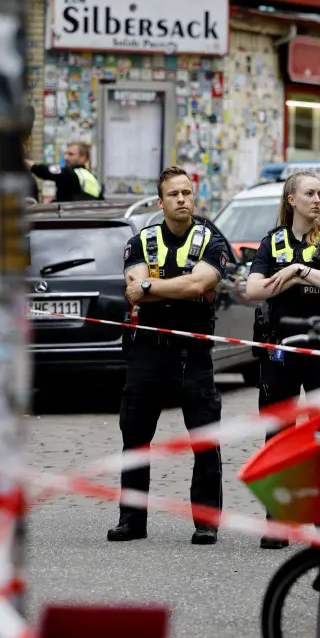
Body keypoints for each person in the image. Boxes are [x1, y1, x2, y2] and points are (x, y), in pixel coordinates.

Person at [111, 166, 231, 546]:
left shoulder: (211, 239)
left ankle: (206, 522)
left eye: (187, 193)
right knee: (134, 436)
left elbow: (201, 282)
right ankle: (132, 521)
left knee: (205, 438)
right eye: (174, 194)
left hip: (193, 352)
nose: (182, 200)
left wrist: (153, 286)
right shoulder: (141, 241)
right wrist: (168, 287)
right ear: (161, 201)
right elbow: (135, 292)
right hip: (147, 350)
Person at [243, 170, 320, 548]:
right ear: (291, 199)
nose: (317, 199)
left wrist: (298, 270)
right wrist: (290, 275)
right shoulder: (271, 243)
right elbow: (254, 288)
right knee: (279, 435)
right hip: (279, 349)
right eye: (310, 193)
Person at [28, 140, 103, 201]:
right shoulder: (92, 178)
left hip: (71, 216)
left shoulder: (71, 173)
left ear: (83, 158)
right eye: (65, 154)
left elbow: (46, 171)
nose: (65, 157)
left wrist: (30, 165)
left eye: (71, 154)